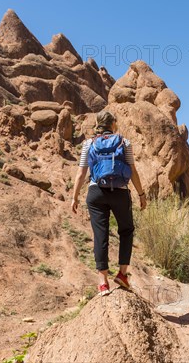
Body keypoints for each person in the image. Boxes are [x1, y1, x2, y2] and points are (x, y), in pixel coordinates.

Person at [71, 111, 147, 296]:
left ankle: (103, 283)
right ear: (113, 124)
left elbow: (81, 173)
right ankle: (122, 274)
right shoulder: (124, 142)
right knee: (126, 231)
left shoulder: (89, 144)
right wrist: (141, 193)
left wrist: (74, 197)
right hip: (120, 193)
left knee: (100, 235)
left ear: (97, 124)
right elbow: (133, 171)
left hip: (96, 192)